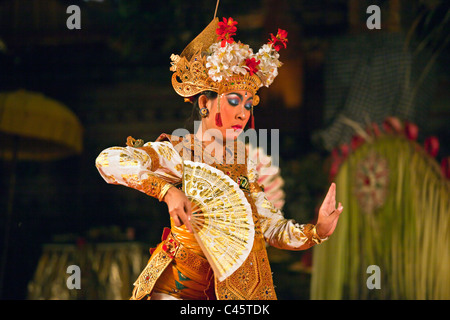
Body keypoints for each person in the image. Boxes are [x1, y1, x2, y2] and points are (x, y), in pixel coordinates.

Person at [95, 17, 343, 300]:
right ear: (204, 103)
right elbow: (108, 160)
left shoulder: (244, 162)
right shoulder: (179, 152)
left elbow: (269, 227)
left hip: (232, 290)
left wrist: (317, 231)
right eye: (234, 101)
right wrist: (167, 191)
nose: (243, 113)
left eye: (249, 104)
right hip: (179, 289)